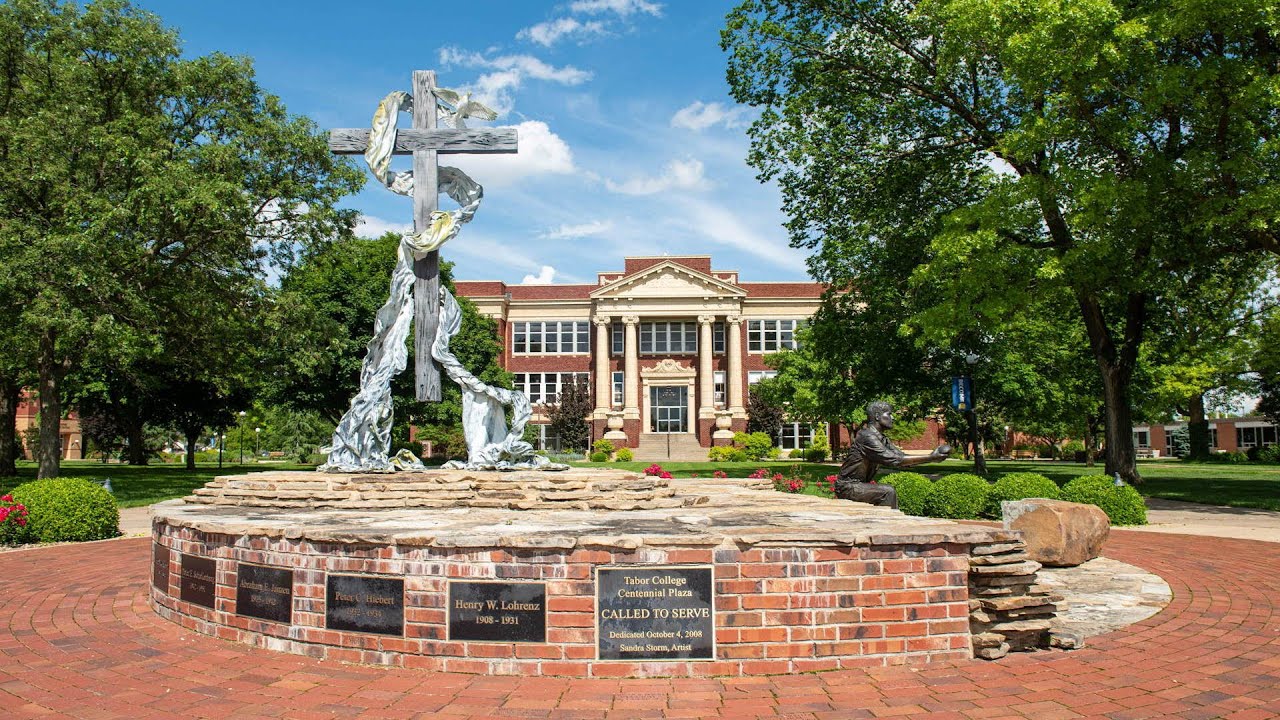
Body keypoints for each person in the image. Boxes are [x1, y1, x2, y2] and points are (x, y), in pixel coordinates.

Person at [836, 401, 951, 508]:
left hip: (858, 485)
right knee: (887, 492)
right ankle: (887, 527)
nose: (893, 417)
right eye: (889, 414)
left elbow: (902, 458)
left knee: (887, 491)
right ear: (877, 416)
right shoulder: (868, 437)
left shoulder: (882, 439)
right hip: (848, 486)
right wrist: (931, 457)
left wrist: (931, 457)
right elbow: (895, 460)